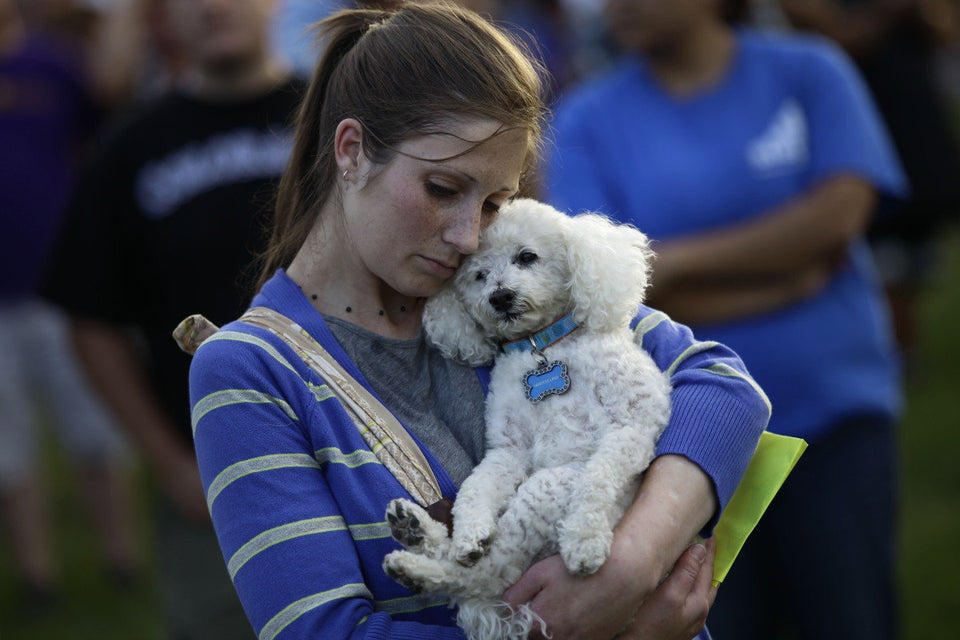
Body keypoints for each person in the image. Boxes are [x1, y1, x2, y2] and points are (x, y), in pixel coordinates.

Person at [185, 3, 770, 639]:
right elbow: (323, 631)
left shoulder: (499, 289)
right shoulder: (251, 369)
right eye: (442, 188)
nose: (470, 238)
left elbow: (721, 385)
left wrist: (630, 563)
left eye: (495, 202)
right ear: (351, 150)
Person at [544, 1, 907, 638]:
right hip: (681, 455)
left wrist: (672, 261)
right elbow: (596, 298)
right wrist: (789, 275)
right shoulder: (585, 120)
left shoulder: (809, 70)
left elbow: (841, 214)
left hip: (834, 420)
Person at [41, 0, 304, 636]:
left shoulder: (334, 118)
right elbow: (90, 320)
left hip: (358, 451)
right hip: (212, 487)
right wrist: (169, 466)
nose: (212, 7)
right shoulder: (129, 146)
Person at [0, 0, 139, 606]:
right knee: (8, 451)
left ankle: (122, 561)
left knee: (97, 434)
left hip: (59, 288)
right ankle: (37, 578)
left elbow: (110, 118)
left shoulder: (53, 64)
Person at [777, 0, 960, 371]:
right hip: (866, 113)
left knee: (913, 243)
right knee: (882, 240)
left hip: (911, 112)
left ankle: (907, 349)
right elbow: (840, 37)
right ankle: (896, 354)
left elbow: (943, 32)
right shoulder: (817, 62)